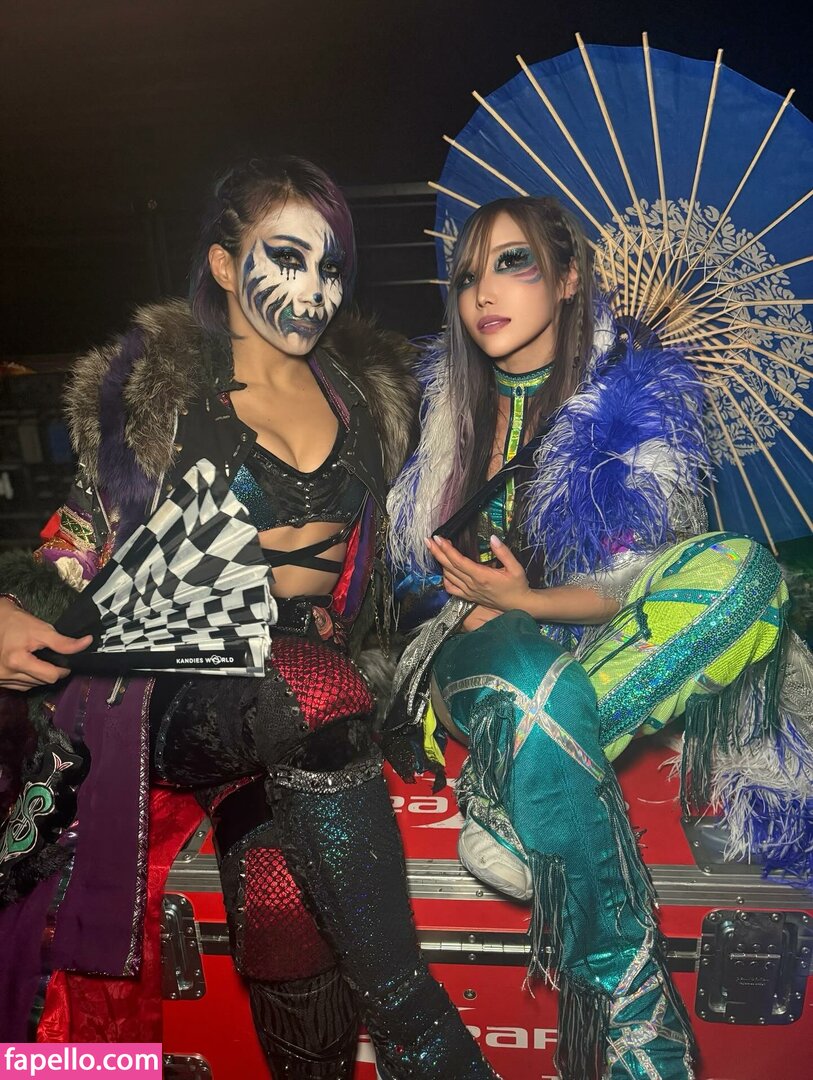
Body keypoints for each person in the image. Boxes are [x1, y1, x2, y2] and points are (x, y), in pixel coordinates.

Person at [0, 156, 497, 1079]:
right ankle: (424, 1039)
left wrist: (477, 593)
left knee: (279, 902)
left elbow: (395, 571)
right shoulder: (157, 395)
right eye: (288, 257)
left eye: (331, 266)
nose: (314, 290)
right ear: (225, 264)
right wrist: (8, 607)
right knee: (307, 687)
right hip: (168, 694)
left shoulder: (372, 399)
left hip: (306, 717)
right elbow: (80, 537)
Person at [386, 195, 813, 1080]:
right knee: (527, 672)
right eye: (467, 275)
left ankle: (508, 795)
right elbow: (415, 585)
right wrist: (488, 602)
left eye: (513, 263)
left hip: (602, 652)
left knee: (745, 575)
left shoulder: (634, 409)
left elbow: (642, 584)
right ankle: (639, 1030)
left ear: (569, 277)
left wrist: (529, 597)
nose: (482, 293)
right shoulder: (443, 411)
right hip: (477, 658)